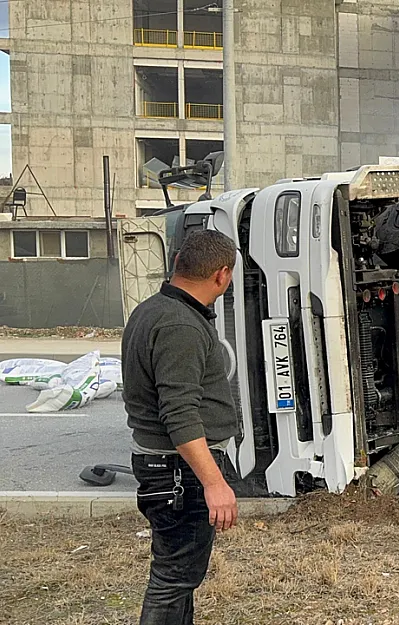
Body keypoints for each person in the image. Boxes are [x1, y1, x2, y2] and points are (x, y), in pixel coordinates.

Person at [122, 229, 240, 625]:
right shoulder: (180, 326)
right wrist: (213, 483)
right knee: (173, 580)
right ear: (222, 276)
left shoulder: (152, 310)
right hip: (178, 471)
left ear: (177, 264)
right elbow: (180, 413)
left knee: (179, 579)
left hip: (168, 468)